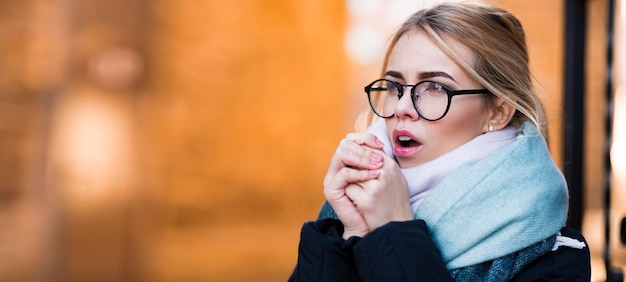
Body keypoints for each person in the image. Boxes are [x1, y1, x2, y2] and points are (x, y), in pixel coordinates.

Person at [289, 2, 591, 281]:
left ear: (498, 112)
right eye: (395, 86)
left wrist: (393, 229)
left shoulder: (553, 255)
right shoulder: (359, 197)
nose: (401, 107)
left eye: (434, 87)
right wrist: (348, 234)